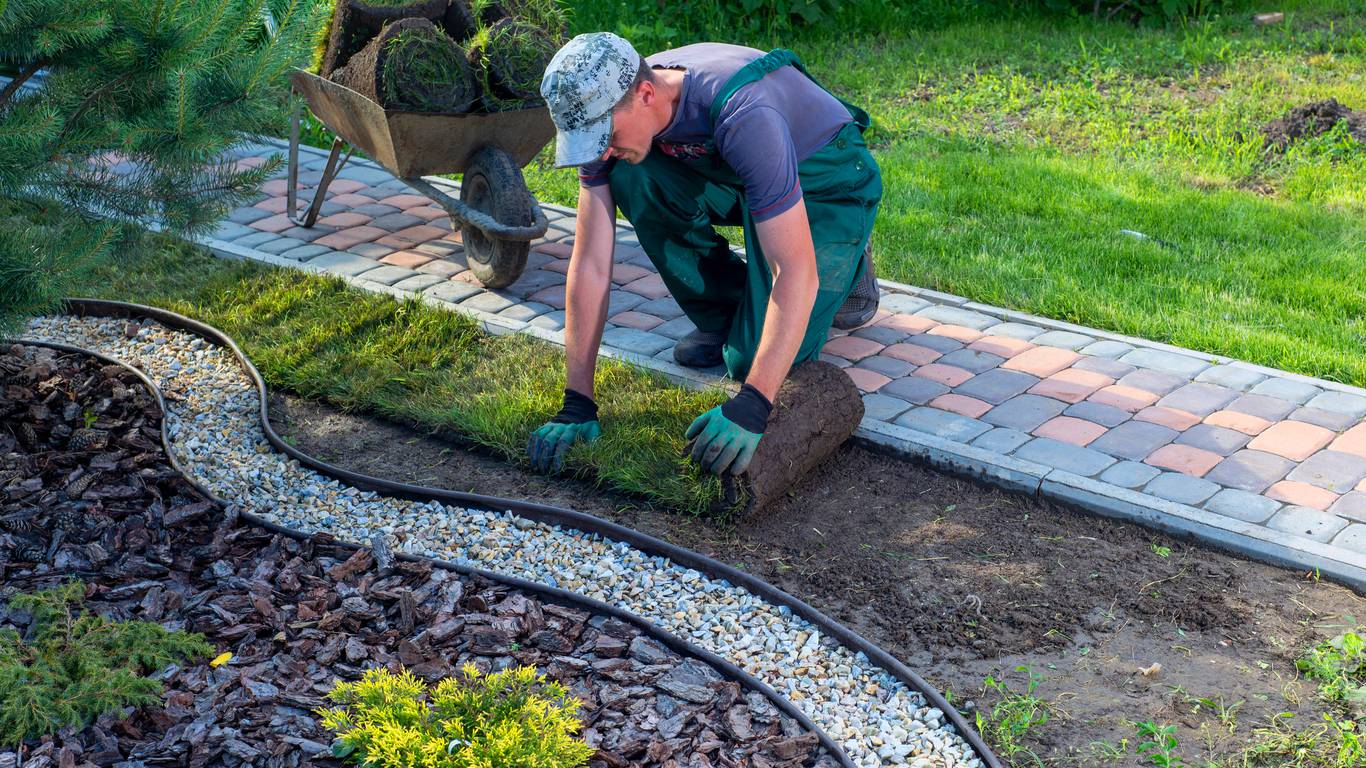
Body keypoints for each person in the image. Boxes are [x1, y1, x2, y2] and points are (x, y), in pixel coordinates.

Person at [526, 32, 882, 477]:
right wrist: (577, 402)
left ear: (647, 93)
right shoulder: (617, 108)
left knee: (754, 362)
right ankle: (735, 313)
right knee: (633, 176)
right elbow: (591, 262)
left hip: (826, 179)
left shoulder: (744, 111)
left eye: (606, 134)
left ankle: (848, 263)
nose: (599, 150)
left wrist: (753, 406)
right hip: (747, 175)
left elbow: (794, 272)